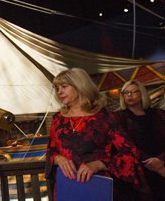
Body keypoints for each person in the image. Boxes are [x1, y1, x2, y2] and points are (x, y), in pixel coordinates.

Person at [45, 68, 150, 201]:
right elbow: (51, 150)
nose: (59, 91)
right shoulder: (57, 119)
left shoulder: (105, 118)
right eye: (57, 87)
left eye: (64, 86)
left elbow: (130, 153)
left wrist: (99, 164)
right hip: (66, 188)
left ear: (80, 86)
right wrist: (58, 158)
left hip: (98, 186)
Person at [114, 80, 165, 200]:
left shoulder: (160, 114)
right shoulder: (117, 117)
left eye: (133, 92)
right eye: (125, 92)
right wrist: (159, 168)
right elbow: (125, 145)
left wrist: (161, 160)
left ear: (142, 93)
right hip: (137, 171)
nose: (129, 95)